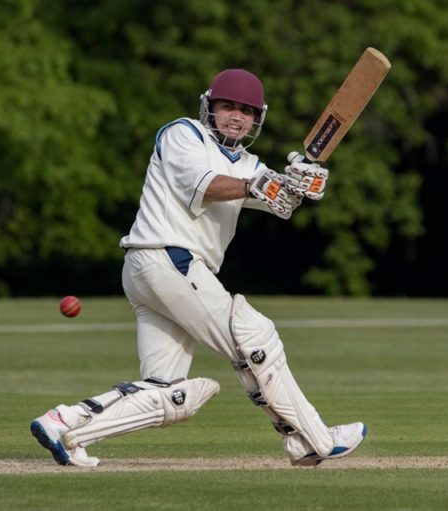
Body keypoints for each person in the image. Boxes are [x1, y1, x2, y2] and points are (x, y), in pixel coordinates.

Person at [30, 69, 366, 467]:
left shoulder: (248, 163)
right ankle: (312, 438)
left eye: (246, 111)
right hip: (169, 260)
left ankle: (66, 425)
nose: (236, 117)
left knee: (167, 391)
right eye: (228, 107)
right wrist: (257, 186)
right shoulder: (182, 135)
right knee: (254, 340)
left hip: (155, 272)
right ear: (210, 107)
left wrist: (298, 183)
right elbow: (207, 185)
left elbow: (278, 201)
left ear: (256, 119)